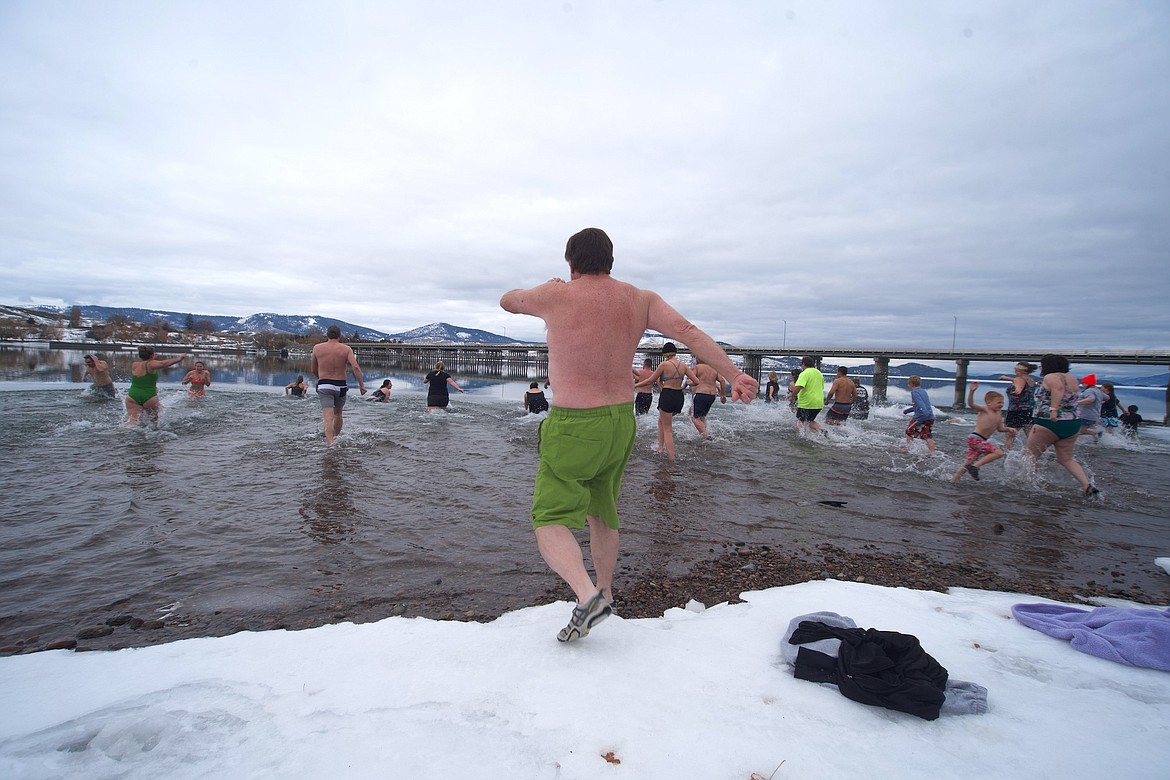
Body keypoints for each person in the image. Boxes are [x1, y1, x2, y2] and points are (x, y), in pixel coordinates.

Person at [499, 227, 758, 643]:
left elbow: (508, 300)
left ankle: (587, 598)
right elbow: (688, 332)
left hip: (574, 421)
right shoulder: (641, 299)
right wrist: (733, 374)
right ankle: (605, 590)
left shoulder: (557, 294)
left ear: (571, 264)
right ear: (611, 262)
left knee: (547, 516)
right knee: (602, 508)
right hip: (621, 419)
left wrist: (543, 288)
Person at [1025, 354, 1098, 496]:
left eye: (1042, 365)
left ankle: (1030, 485)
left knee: (1030, 455)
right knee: (1066, 459)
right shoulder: (1071, 378)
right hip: (1073, 423)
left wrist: (1053, 410)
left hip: (1049, 422)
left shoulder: (1050, 377)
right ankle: (1087, 485)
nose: (1041, 367)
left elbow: (1058, 389)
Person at [634, 342, 699, 460]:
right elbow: (696, 381)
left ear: (665, 353)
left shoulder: (664, 365)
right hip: (679, 396)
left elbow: (650, 381)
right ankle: (660, 447)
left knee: (667, 429)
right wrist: (684, 385)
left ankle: (671, 458)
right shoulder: (683, 366)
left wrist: (635, 385)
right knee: (661, 421)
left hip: (667, 395)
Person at [310, 325, 367, 446]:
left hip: (324, 384)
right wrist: (362, 385)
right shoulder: (346, 349)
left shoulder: (317, 348)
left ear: (327, 335)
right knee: (338, 413)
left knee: (327, 416)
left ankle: (330, 444)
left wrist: (322, 379)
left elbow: (313, 369)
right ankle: (336, 438)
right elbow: (355, 367)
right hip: (340, 385)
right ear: (339, 335)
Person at [951, 382, 1016, 482]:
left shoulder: (998, 413)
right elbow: (971, 404)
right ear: (988, 403)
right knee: (998, 453)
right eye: (998, 402)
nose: (1001, 405)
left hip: (980, 440)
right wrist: (972, 391)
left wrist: (1009, 429)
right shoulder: (984, 409)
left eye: (1002, 402)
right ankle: (976, 467)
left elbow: (1000, 428)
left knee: (968, 463)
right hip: (975, 438)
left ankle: (954, 479)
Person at [125, 346, 186, 426]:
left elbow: (147, 363)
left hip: (132, 396)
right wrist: (179, 358)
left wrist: (151, 358)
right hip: (149, 397)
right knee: (154, 423)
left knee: (132, 421)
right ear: (151, 355)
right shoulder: (151, 364)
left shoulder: (134, 364)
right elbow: (163, 364)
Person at [998, 361, 1037, 449]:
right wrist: (1007, 378)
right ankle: (1037, 454)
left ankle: (1008, 455)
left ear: (1021, 371)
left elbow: (1019, 385)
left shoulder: (1018, 379)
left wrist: (1017, 390)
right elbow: (1019, 382)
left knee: (1010, 436)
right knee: (1030, 435)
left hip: (1015, 410)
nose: (1014, 371)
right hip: (1029, 411)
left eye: (1016, 369)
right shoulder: (1031, 380)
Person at [688, 357, 727, 439]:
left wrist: (688, 383)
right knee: (702, 416)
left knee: (694, 418)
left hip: (700, 394)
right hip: (711, 396)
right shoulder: (714, 369)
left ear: (697, 360)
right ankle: (703, 433)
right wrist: (723, 394)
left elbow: (691, 381)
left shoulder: (697, 368)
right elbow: (722, 381)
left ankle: (706, 435)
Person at [902, 375, 936, 453]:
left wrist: (923, 416)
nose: (908, 385)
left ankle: (909, 449)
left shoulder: (914, 393)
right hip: (930, 416)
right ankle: (932, 453)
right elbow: (920, 405)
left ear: (912, 384)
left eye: (908, 383)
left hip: (921, 417)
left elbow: (921, 405)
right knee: (926, 435)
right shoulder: (923, 391)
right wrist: (906, 411)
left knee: (908, 432)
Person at [794, 356, 825, 432]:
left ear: (804, 364)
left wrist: (792, 396)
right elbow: (822, 387)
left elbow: (799, 386)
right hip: (818, 403)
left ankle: (801, 436)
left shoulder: (805, 373)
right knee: (809, 421)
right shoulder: (819, 373)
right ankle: (821, 430)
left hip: (807, 403)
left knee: (800, 421)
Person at [1074, 373, 1107, 439]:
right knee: (1080, 429)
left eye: (1083, 383)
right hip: (1094, 415)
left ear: (1088, 383)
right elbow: (1107, 397)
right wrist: (1099, 401)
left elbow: (1091, 399)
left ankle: (1096, 434)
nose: (1082, 385)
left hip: (1086, 415)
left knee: (1078, 431)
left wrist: (1076, 403)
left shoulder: (1089, 391)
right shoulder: (1098, 390)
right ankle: (1096, 437)